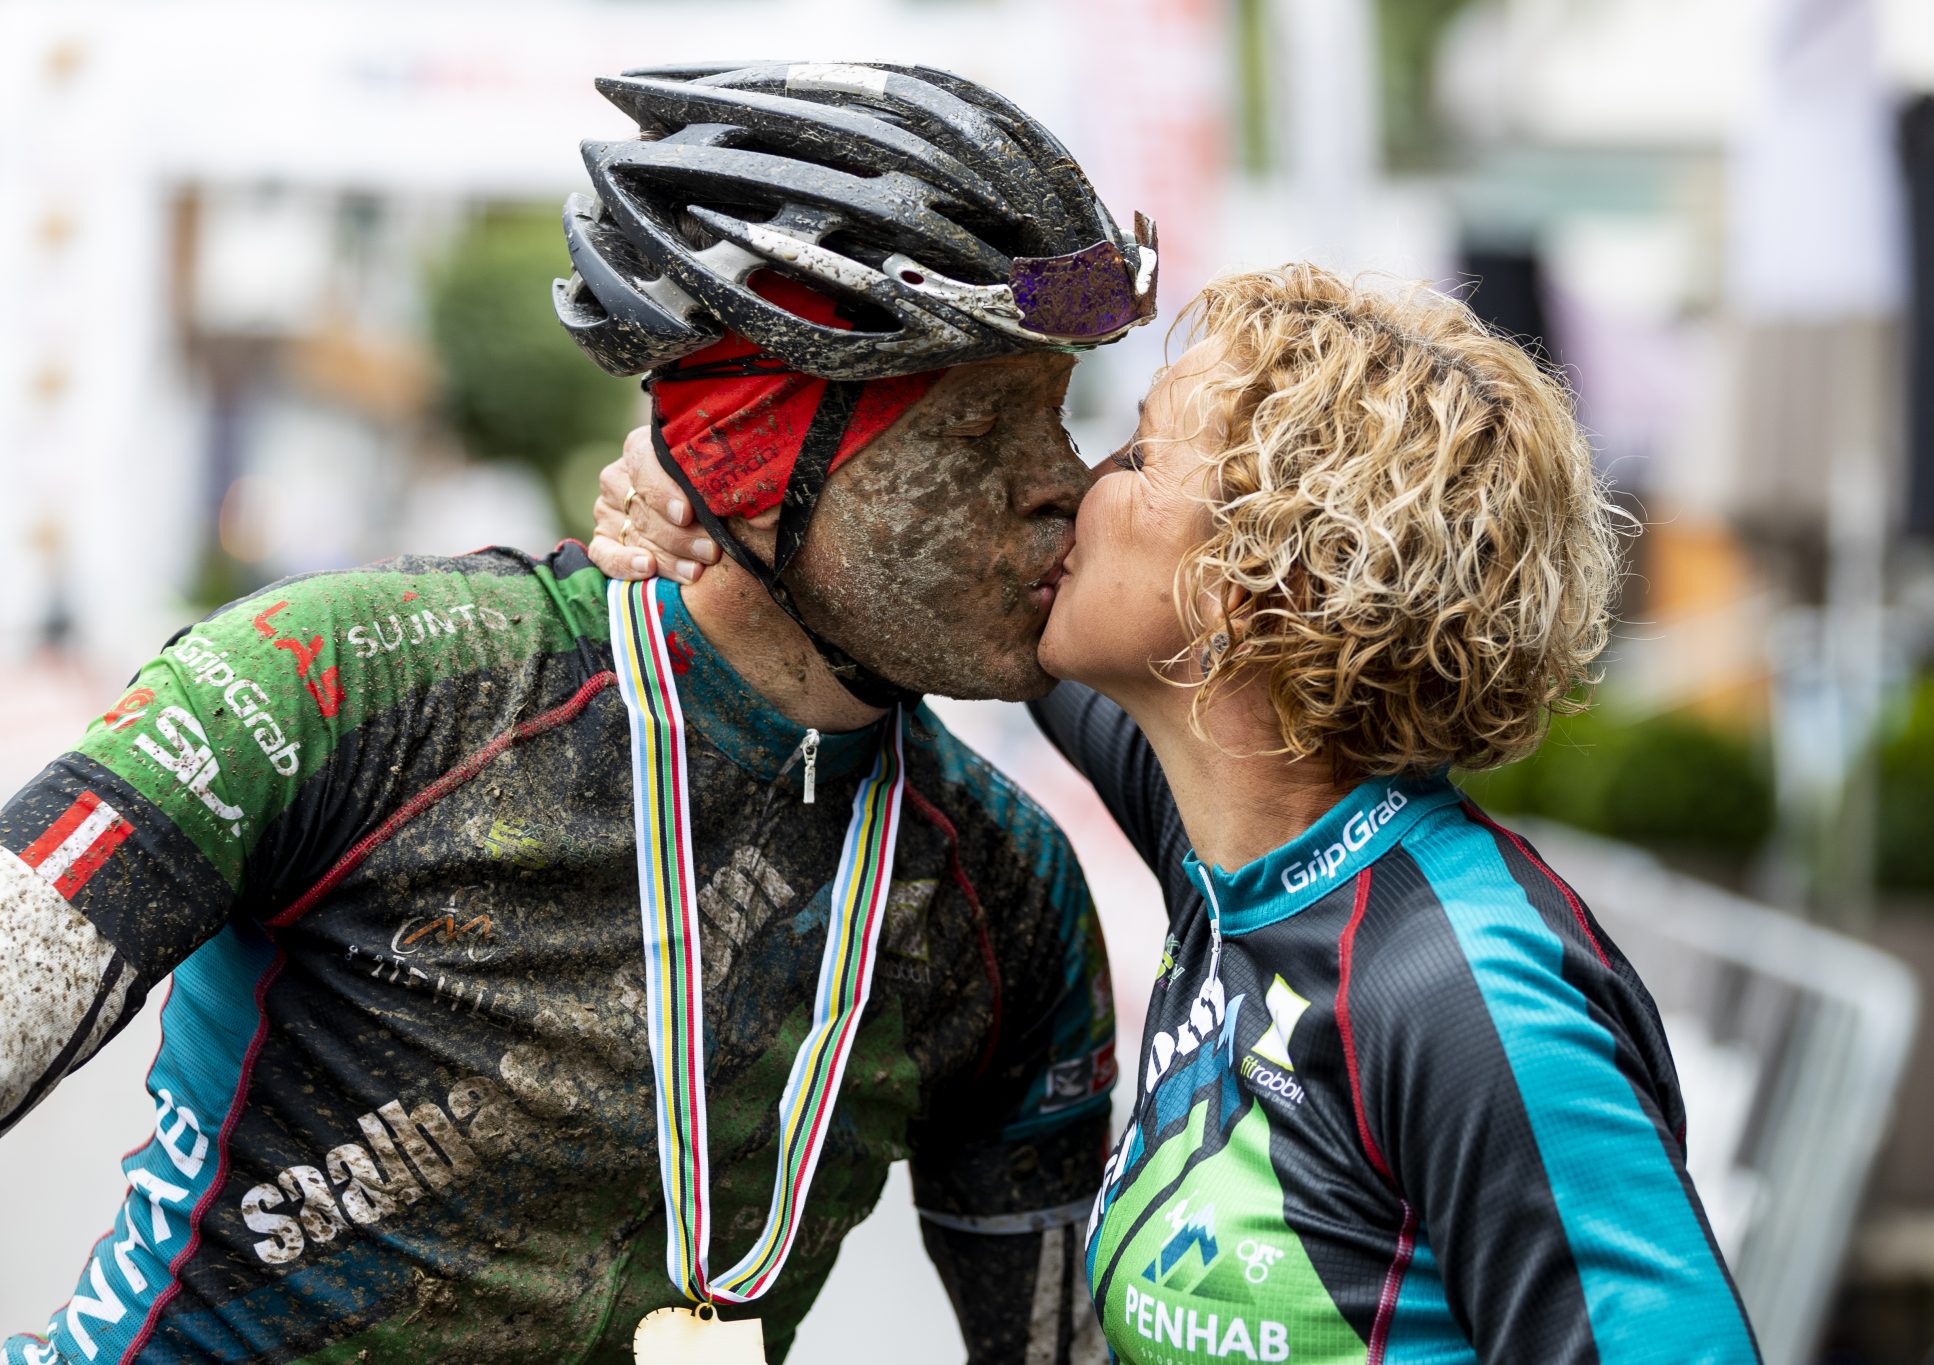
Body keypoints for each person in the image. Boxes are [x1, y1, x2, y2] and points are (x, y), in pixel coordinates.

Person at [0, 62, 1156, 1365]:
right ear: (755, 453)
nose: (1064, 485)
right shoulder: (337, 682)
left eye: (1057, 420)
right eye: (983, 431)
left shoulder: (1008, 890)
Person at [594, 263, 1760, 1362]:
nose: (1076, 485)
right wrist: (722, 479)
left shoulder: (1466, 995)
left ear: (1264, 581)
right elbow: (922, 607)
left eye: (1141, 455)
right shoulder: (1230, 837)